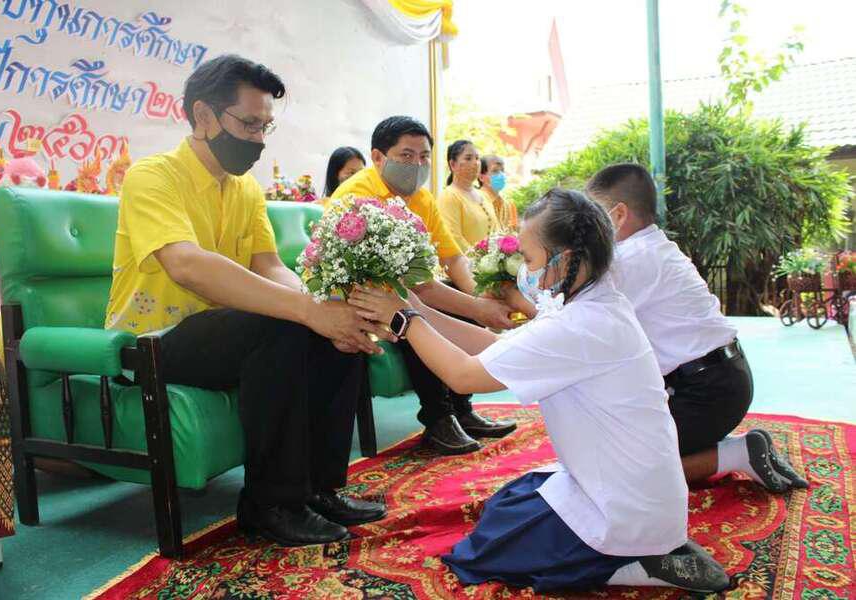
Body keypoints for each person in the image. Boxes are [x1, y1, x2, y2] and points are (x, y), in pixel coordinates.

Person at [347, 189, 729, 594]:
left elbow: (463, 376)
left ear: (564, 259)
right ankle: (643, 549)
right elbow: (495, 348)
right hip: (628, 488)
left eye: (528, 260)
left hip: (626, 506)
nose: (524, 273)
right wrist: (419, 310)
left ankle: (637, 562)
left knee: (483, 554)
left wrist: (404, 320)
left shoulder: (581, 325)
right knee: (506, 507)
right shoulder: (592, 304)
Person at [104, 54, 388, 547]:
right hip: (154, 342)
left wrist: (326, 310)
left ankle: (318, 489)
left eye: (265, 127)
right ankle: (269, 504)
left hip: (226, 333)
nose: (258, 139)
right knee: (282, 323)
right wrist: (306, 311)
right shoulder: (153, 176)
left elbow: (270, 266)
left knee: (330, 327)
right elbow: (186, 265)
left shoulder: (246, 190)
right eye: (249, 124)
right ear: (204, 115)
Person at [583, 163, 808, 492]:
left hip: (708, 393)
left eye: (594, 216)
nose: (588, 229)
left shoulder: (634, 259)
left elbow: (579, 321)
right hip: (717, 380)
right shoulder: (651, 247)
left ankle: (739, 454)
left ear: (618, 215)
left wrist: (517, 297)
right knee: (617, 439)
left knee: (621, 471)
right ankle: (717, 445)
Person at [331, 116, 517, 455]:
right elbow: (409, 286)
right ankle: (438, 418)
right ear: (378, 157)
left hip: (403, 289)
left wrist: (480, 298)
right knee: (410, 316)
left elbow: (453, 259)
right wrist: (478, 307)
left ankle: (461, 408)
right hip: (358, 295)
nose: (417, 165)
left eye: (424, 156)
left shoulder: (421, 198)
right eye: (406, 155)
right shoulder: (357, 197)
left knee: (450, 299)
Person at [438, 140, 502, 252]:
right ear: (453, 164)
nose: (476, 163)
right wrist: (477, 259)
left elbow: (497, 232)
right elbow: (454, 238)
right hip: (464, 261)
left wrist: (499, 255)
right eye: (468, 158)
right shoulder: (449, 196)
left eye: (477, 158)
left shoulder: (484, 195)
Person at [480, 154, 518, 230]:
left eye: (502, 170)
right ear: (481, 177)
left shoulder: (509, 205)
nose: (501, 175)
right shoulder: (474, 201)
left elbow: (513, 233)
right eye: (495, 171)